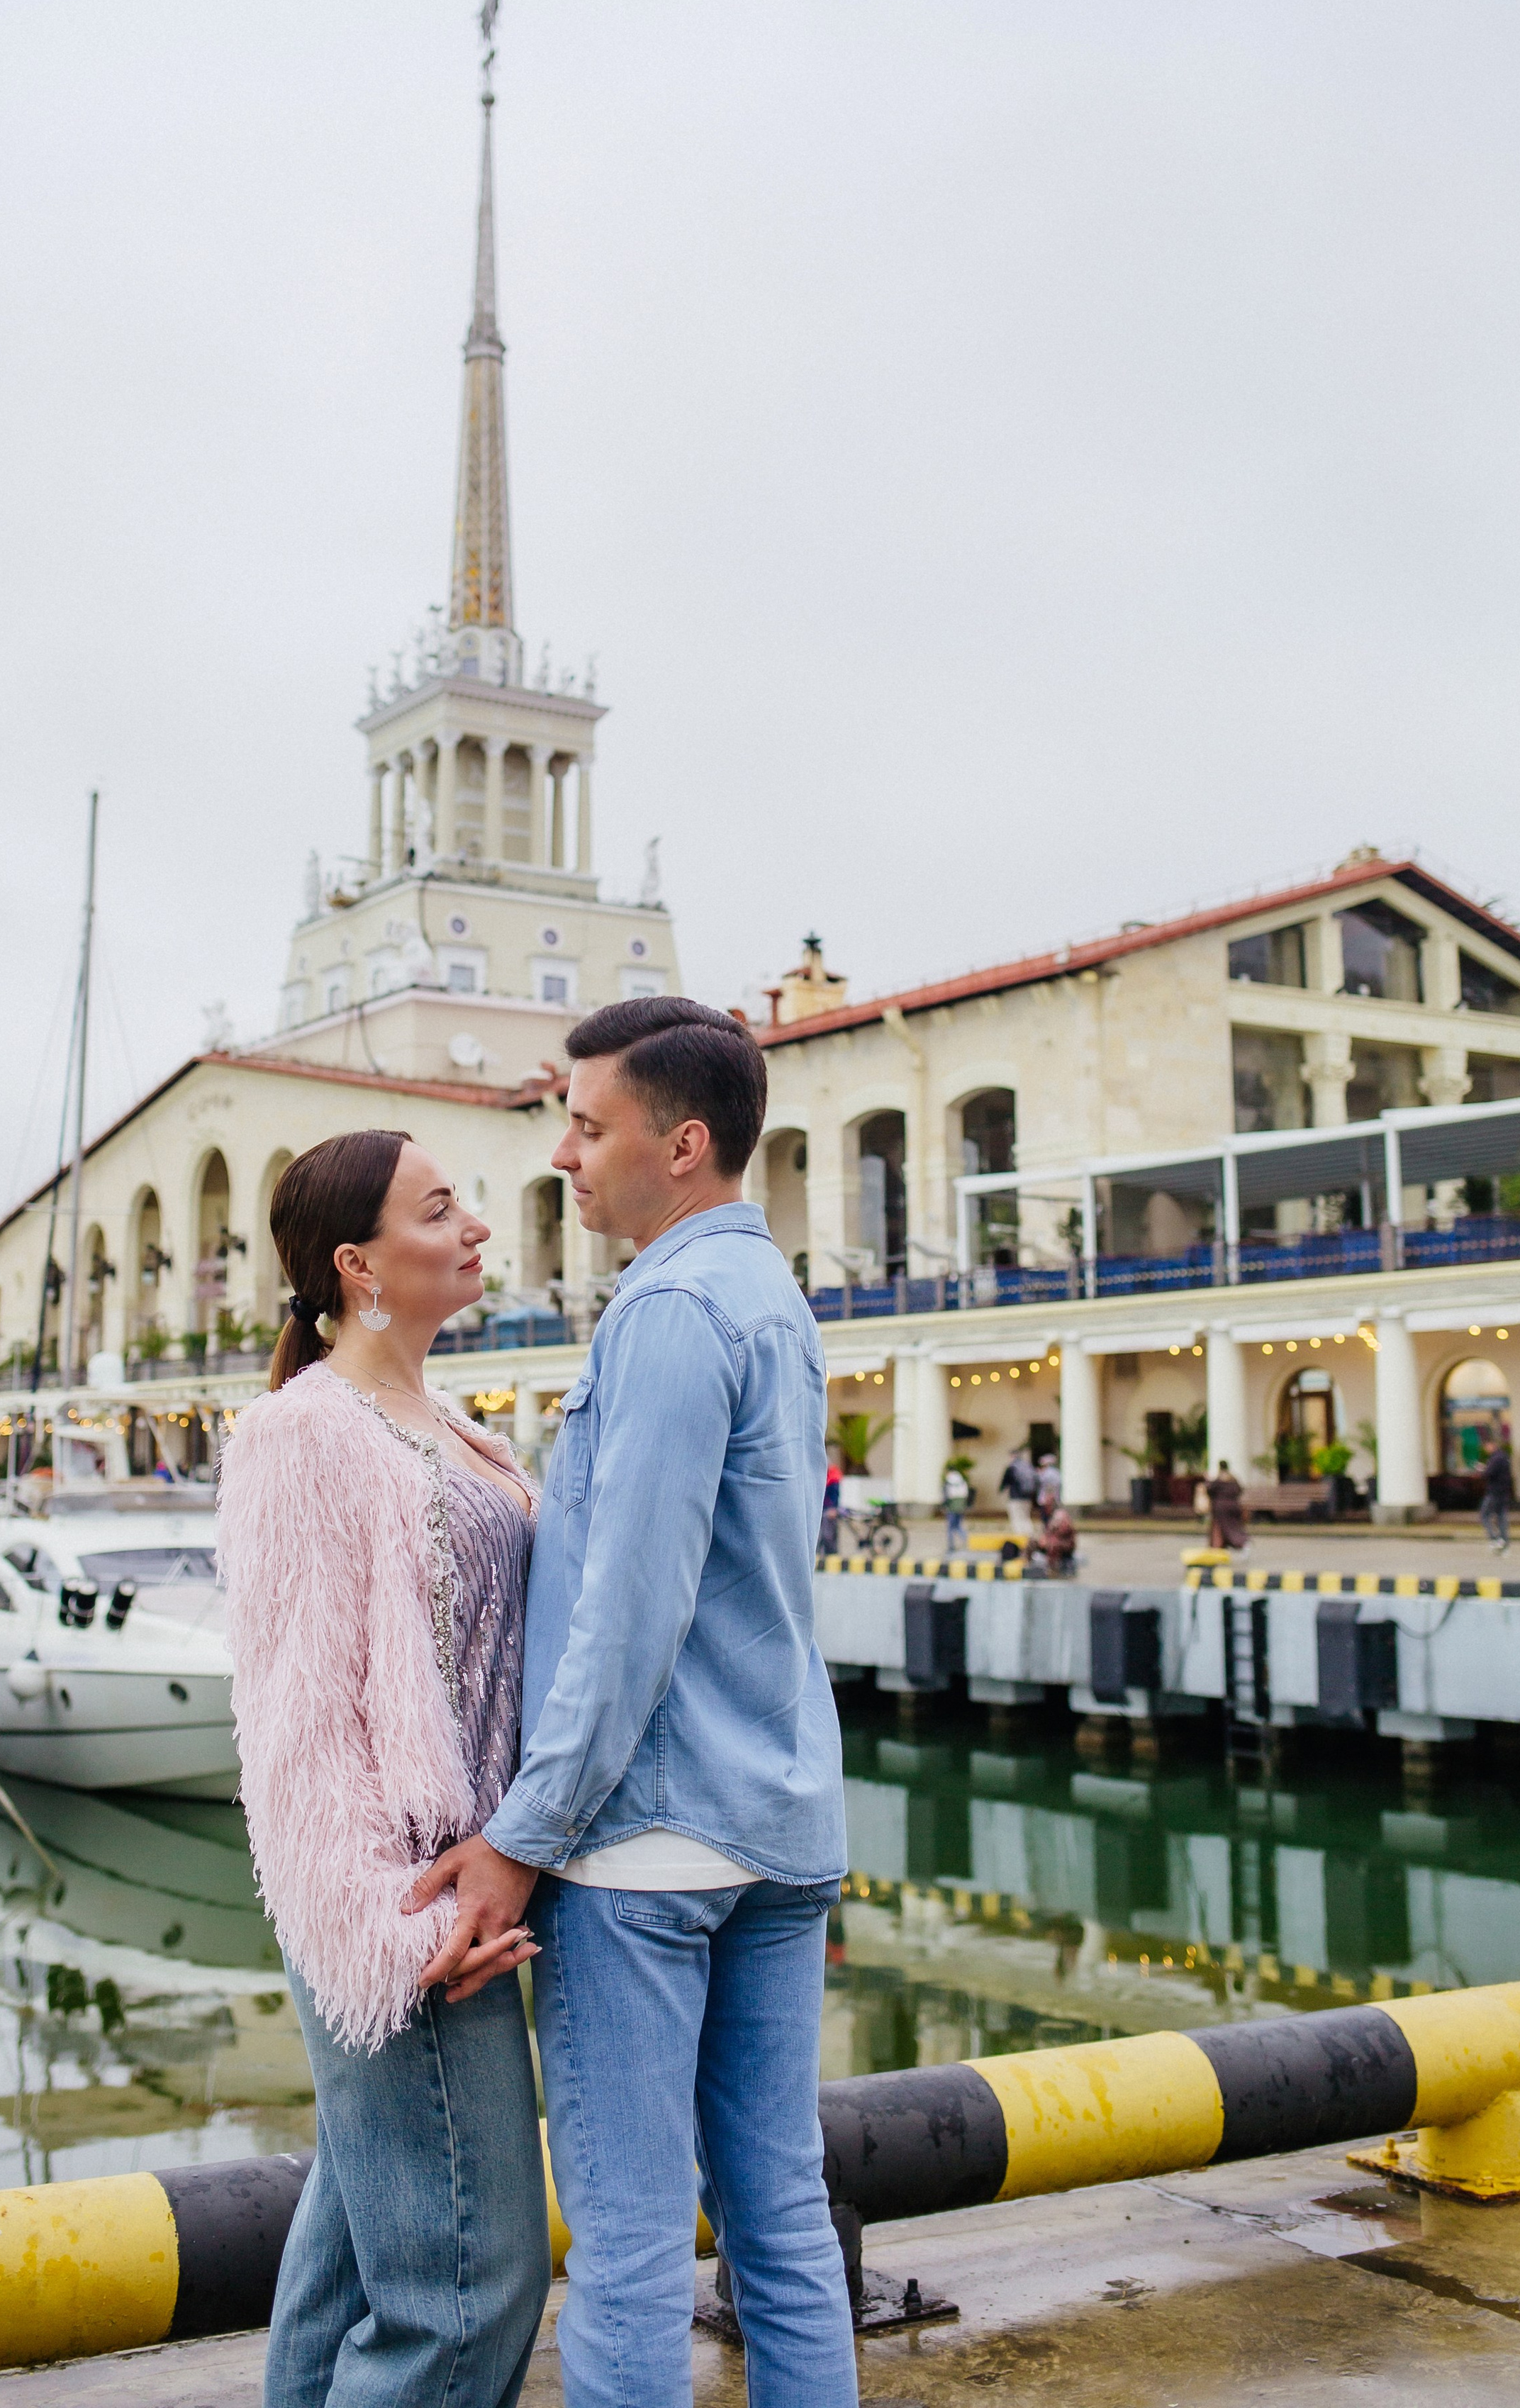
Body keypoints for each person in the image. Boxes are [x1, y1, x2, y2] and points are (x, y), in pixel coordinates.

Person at [408, 997, 857, 2408]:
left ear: (684, 1143)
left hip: (642, 1843)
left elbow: (630, 1617)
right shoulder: (771, 1301)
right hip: (774, 1829)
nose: (559, 1154)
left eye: (586, 1124)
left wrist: (521, 1837)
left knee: (627, 2249)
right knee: (782, 2221)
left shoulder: (666, 1310)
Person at [216, 1131, 549, 2408]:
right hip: (408, 1919)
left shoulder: (448, 1420)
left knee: (358, 2264)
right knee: (468, 2293)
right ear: (358, 1264)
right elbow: (298, 1722)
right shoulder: (303, 1434)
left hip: (467, 1885)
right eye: (440, 1209)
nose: (474, 1228)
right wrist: (382, 1934)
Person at [1205, 1459, 1248, 1554]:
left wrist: (1207, 1480)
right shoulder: (1233, 1478)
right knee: (1235, 1527)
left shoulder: (1219, 1479)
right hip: (1234, 1506)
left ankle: (1219, 1547)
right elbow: (1239, 1490)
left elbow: (1210, 1490)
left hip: (1221, 1508)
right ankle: (1242, 1543)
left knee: (1221, 1528)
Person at [1481, 1442, 1516, 1554]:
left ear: (1492, 1445)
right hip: (1503, 1492)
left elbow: (1488, 1473)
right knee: (1501, 1516)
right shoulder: (1504, 1457)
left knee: (1485, 1515)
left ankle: (1495, 1538)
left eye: (1487, 1446)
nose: (1486, 1449)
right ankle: (1504, 1541)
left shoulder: (1496, 1458)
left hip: (1494, 1492)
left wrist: (1483, 1469)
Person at [941, 1458, 971, 1554]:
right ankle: (967, 1540)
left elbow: (946, 1495)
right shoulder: (961, 1480)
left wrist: (944, 1506)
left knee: (950, 1527)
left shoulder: (948, 1480)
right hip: (961, 1505)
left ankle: (951, 1546)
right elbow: (966, 1493)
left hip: (952, 1505)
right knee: (958, 1525)